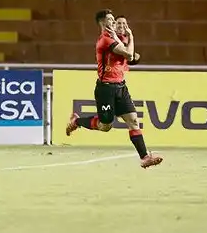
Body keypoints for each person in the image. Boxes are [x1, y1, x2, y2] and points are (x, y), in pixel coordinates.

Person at [65, 9, 163, 169]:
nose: (113, 22)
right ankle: (76, 121)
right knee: (105, 126)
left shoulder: (117, 38)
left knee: (133, 121)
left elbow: (132, 58)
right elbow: (129, 55)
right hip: (106, 89)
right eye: (110, 19)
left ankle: (145, 157)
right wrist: (132, 38)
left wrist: (131, 51)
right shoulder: (105, 40)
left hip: (121, 87)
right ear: (102, 23)